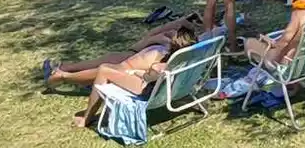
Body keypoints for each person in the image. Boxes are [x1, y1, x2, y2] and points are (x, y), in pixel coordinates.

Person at [48, 26, 198, 128]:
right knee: (113, 67)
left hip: (147, 92)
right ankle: (65, 76)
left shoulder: (160, 66)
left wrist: (138, 73)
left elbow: (148, 77)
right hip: (166, 90)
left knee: (104, 70)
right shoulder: (190, 60)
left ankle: (85, 118)